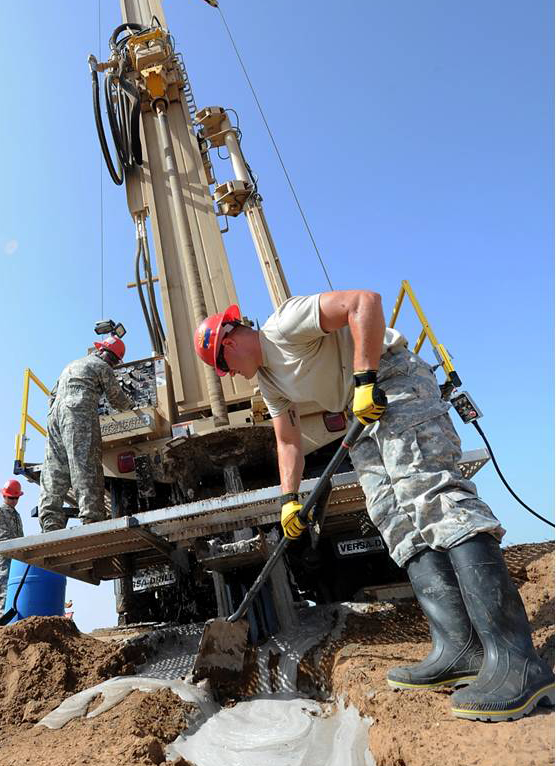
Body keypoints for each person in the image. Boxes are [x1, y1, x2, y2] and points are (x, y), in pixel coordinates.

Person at [194, 292, 554, 722]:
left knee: (431, 495)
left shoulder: (286, 324)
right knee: (393, 517)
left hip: (392, 380)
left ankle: (517, 661)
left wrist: (365, 379)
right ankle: (460, 649)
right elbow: (287, 441)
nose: (229, 374)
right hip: (357, 410)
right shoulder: (269, 382)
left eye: (223, 365)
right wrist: (288, 502)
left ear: (229, 342)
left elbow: (364, 302)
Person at [39, 334, 134, 532]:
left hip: (54, 416)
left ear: (101, 349)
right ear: (115, 359)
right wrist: (133, 407)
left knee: (55, 467)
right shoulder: (103, 367)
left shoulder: (73, 365)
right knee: (85, 463)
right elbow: (117, 400)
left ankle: (50, 521)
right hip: (78, 414)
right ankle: (92, 518)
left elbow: (52, 395)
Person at [0, 479, 24, 625]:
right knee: (1, 590)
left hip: (15, 560)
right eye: (11, 497)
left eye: (16, 498)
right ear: (4, 496)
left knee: (13, 591)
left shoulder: (16, 515)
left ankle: (10, 622)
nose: (14, 501)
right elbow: (0, 540)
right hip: (1, 561)